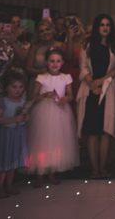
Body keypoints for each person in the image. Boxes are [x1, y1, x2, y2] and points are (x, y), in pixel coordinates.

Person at [77, 14, 115, 179]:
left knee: (105, 130)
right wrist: (92, 84)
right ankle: (94, 168)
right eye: (102, 25)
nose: (105, 27)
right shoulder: (87, 44)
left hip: (108, 89)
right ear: (97, 27)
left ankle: (103, 167)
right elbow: (83, 67)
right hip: (90, 91)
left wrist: (101, 81)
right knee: (92, 131)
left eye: (107, 25)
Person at [27, 47, 79, 187]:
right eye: (52, 61)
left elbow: (70, 95)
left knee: (56, 142)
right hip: (43, 112)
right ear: (46, 62)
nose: (55, 64)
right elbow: (32, 97)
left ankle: (51, 173)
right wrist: (44, 95)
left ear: (62, 62)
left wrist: (66, 98)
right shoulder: (41, 78)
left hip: (60, 112)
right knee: (42, 142)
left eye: (58, 61)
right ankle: (39, 174)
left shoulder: (66, 77)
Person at [0, 72, 29, 198]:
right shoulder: (3, 102)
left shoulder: (23, 102)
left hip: (18, 133)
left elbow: (23, 117)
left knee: (13, 161)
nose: (18, 90)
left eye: (20, 86)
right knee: (4, 161)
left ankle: (9, 186)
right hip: (7, 134)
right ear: (6, 88)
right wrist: (14, 119)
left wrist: (25, 118)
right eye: (14, 87)